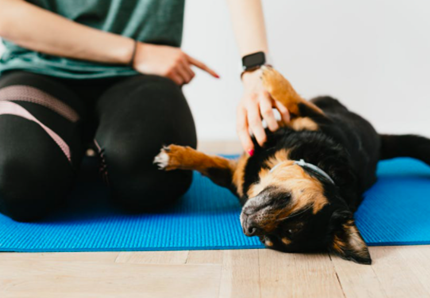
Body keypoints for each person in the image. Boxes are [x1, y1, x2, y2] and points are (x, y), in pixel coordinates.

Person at [0, 0, 289, 222]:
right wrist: (135, 51)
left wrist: (255, 70)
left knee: (152, 174)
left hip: (138, 77)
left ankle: (86, 157)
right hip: (35, 69)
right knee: (17, 182)